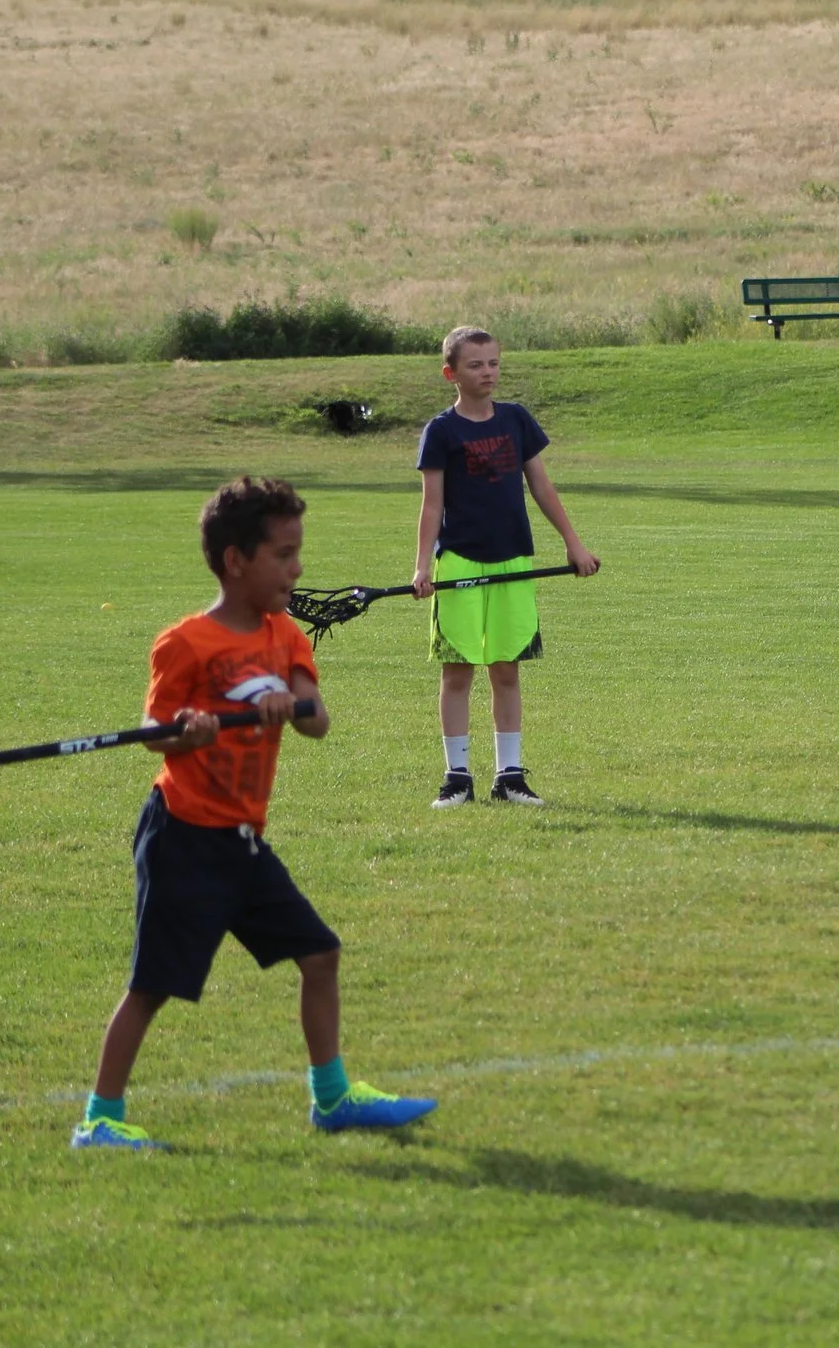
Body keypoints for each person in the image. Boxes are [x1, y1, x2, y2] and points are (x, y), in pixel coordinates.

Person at [73, 476, 435, 1151]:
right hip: (183, 834)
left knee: (320, 953)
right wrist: (188, 729)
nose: (297, 568)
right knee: (153, 984)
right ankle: (99, 1116)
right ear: (236, 560)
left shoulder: (284, 636)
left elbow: (317, 721)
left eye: (299, 552)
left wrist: (286, 703)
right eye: (284, 553)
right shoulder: (185, 643)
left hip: (243, 842)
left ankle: (331, 1098)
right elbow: (153, 731)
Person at [413, 326, 600, 808]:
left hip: (514, 560)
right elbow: (431, 506)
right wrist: (422, 567)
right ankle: (457, 778)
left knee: (506, 669)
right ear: (450, 373)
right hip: (459, 562)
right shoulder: (442, 431)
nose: (488, 372)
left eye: (493, 362)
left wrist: (573, 544)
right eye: (475, 365)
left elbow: (542, 487)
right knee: (457, 671)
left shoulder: (516, 420)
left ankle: (509, 776)